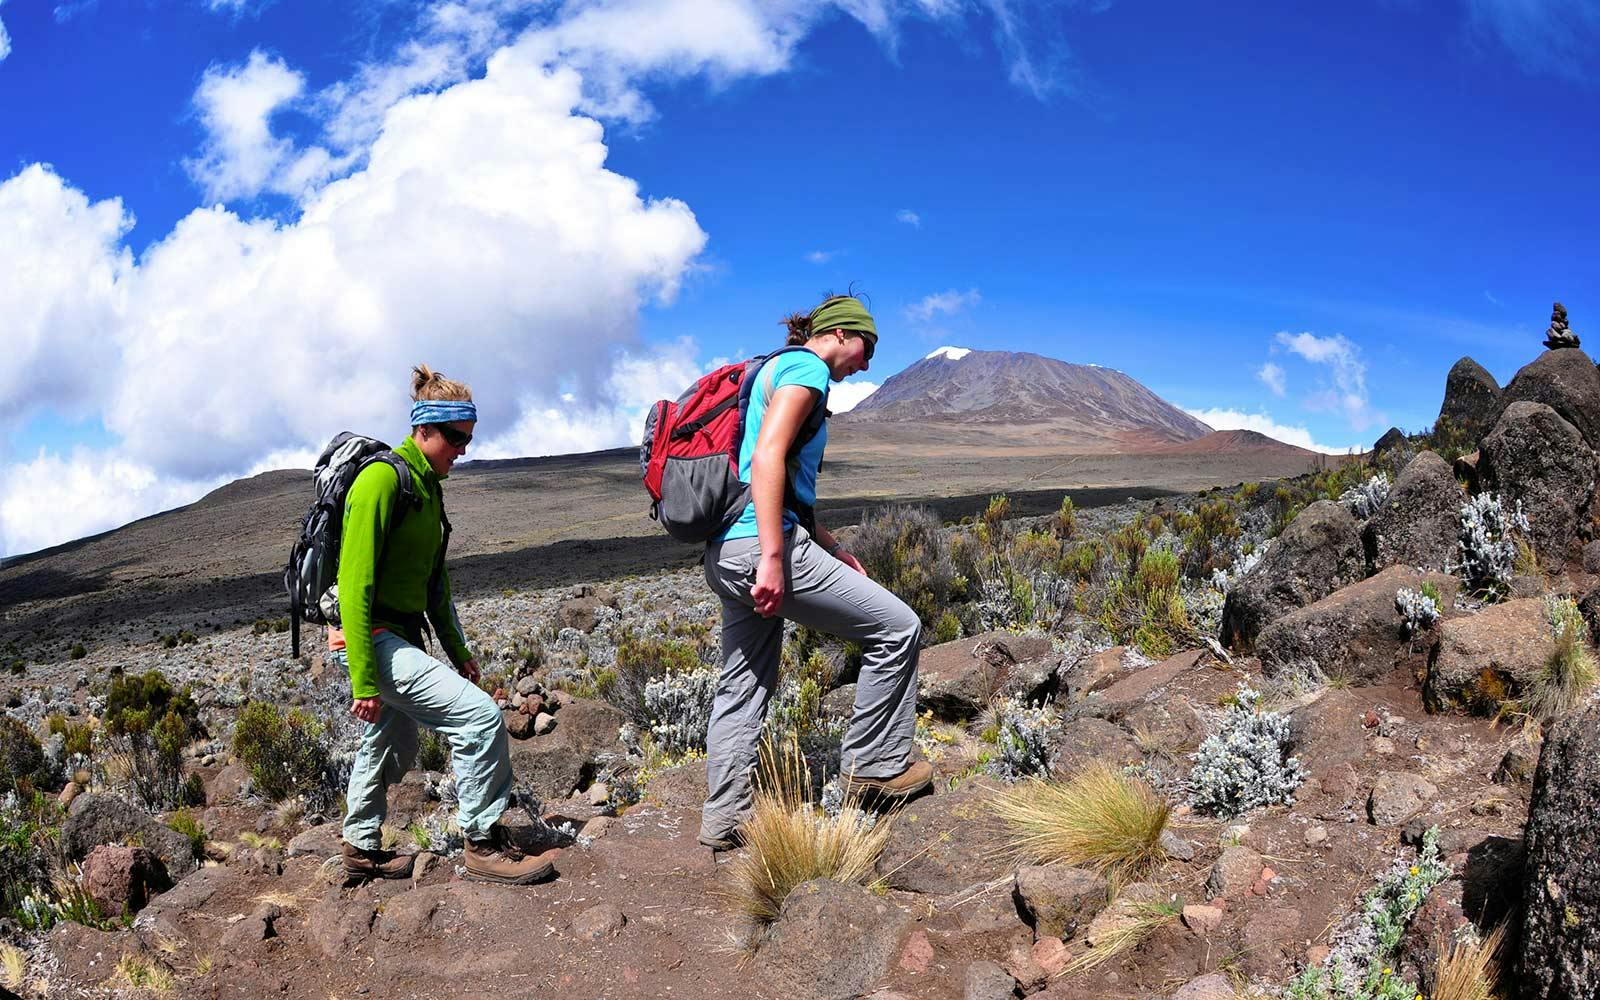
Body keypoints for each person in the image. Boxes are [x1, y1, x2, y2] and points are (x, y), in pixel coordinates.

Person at [699, 294, 932, 851]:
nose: (867, 364)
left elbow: (785, 489)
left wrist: (832, 547)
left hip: (726, 550)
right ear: (842, 333)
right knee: (897, 628)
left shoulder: (770, 368)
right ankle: (875, 766)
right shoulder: (806, 369)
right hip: (762, 548)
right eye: (867, 348)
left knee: (743, 683)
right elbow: (767, 458)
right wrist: (774, 557)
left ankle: (724, 821)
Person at [337, 364, 558, 885]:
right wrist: (364, 680)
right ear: (424, 428)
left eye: (468, 439)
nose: (462, 450)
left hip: (399, 636)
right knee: (479, 718)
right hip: (370, 638)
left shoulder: (427, 488)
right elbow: (354, 585)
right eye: (455, 438)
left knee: (389, 739)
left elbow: (435, 583)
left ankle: (360, 847)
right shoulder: (381, 480)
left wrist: (459, 652)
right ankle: (482, 844)